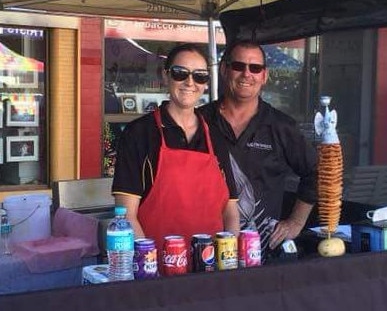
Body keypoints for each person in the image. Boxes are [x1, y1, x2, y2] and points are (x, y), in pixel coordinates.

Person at [112, 43, 239, 256]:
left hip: (211, 268)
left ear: (206, 83)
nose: (190, 82)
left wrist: (229, 257)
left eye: (199, 76)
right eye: (180, 73)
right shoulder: (139, 134)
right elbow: (126, 216)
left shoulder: (216, 137)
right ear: (165, 76)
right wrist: (149, 265)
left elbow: (231, 211)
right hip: (156, 272)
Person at [201, 39, 317, 256]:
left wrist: (295, 222)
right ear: (225, 69)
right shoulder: (199, 122)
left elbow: (316, 173)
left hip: (261, 252)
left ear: (264, 76)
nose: (247, 74)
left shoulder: (282, 127)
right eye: (238, 66)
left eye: (255, 68)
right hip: (205, 248)